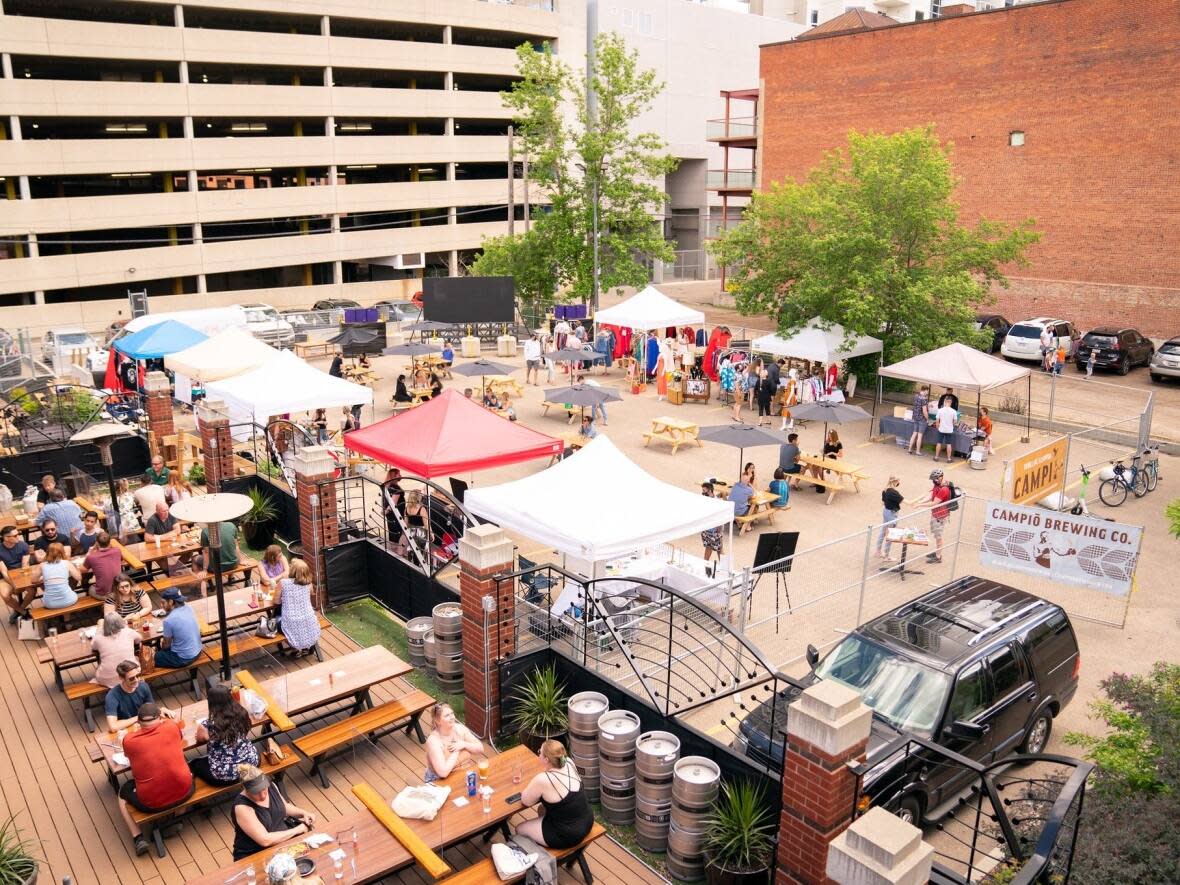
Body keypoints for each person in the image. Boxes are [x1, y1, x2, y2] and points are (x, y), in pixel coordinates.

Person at [118, 702, 194, 856]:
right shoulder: (172, 727)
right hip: (185, 792)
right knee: (187, 772)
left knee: (121, 795)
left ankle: (138, 838)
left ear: (139, 723)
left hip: (150, 802)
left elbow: (126, 754)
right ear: (160, 718)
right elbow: (178, 734)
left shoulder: (129, 740)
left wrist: (122, 738)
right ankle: (178, 818)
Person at [514, 739, 594, 849]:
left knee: (520, 829)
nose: (539, 756)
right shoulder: (569, 762)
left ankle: (540, 859)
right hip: (586, 820)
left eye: (540, 753)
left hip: (568, 834)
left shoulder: (543, 779)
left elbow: (526, 801)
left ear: (546, 759)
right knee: (542, 809)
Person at [231, 763, 317, 861]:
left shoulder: (271, 785)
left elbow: (284, 807)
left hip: (281, 842)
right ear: (245, 788)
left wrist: (304, 813)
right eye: (256, 792)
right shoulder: (242, 807)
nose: (263, 795)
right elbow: (265, 840)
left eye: (264, 789)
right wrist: (298, 829)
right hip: (256, 852)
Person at [189, 683, 260, 786]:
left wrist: (207, 737)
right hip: (251, 763)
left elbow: (200, 739)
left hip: (226, 775)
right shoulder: (242, 713)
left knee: (194, 764)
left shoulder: (207, 725)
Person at [424, 703, 484, 782]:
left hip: (464, 773)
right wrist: (456, 750)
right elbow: (443, 773)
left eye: (452, 713)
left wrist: (464, 744)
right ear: (437, 720)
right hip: (439, 781)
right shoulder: (434, 741)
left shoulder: (459, 728)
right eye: (447, 715)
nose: (452, 717)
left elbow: (480, 749)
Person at [105, 660, 167, 731]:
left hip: (143, 725)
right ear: (121, 678)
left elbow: (151, 709)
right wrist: (138, 718)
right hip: (125, 730)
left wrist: (162, 710)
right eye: (132, 678)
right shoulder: (112, 696)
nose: (136, 680)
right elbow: (113, 727)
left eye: (138, 676)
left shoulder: (143, 686)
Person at [277, 558, 321, 655]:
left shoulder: (283, 583)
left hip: (291, 621)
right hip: (309, 620)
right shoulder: (309, 584)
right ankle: (305, 646)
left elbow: (276, 602)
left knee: (276, 620)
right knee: (301, 624)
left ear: (292, 570)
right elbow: (311, 594)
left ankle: (295, 648)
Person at [91, 612, 141, 688]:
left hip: (107, 678)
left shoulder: (98, 637)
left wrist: (99, 630)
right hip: (131, 675)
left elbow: (93, 647)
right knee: (136, 658)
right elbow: (139, 639)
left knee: (101, 664)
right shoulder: (128, 632)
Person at [155, 587, 203, 668]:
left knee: (155, 656)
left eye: (163, 603)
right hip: (198, 651)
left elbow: (166, 645)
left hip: (183, 658)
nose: (161, 605)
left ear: (171, 602)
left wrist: (160, 647)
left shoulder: (168, 620)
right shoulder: (189, 608)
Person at [918, 469, 952, 564]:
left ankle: (938, 557)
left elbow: (934, 503)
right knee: (936, 534)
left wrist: (919, 505)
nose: (934, 481)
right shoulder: (937, 485)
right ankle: (937, 552)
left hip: (940, 516)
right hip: (935, 514)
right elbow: (931, 496)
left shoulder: (944, 489)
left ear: (940, 478)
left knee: (938, 536)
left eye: (935, 479)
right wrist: (920, 502)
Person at [0, 525, 33, 623]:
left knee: (32, 591)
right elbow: (4, 571)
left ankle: (19, 611)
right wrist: (14, 584)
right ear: (6, 538)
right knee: (5, 595)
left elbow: (25, 565)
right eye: (14, 536)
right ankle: (23, 612)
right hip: (7, 577)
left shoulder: (23, 545)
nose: (18, 537)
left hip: (22, 575)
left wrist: (21, 582)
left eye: (18, 534)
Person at [82, 531, 126, 600]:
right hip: (119, 590)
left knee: (90, 588)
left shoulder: (91, 557)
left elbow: (82, 570)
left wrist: (89, 552)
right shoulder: (117, 550)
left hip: (104, 594)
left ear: (96, 542)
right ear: (110, 541)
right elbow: (121, 560)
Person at [38, 542, 79, 609]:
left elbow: (33, 580)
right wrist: (77, 568)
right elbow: (78, 578)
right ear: (62, 552)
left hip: (50, 604)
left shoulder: (42, 565)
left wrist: (45, 579)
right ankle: (66, 619)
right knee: (69, 589)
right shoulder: (66, 563)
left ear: (47, 552)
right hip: (69, 601)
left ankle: (65, 617)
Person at [876, 477, 904, 561]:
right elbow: (907, 502)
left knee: (883, 531)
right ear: (896, 482)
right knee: (890, 534)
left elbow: (883, 502)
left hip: (886, 511)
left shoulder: (885, 490)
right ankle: (886, 555)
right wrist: (919, 499)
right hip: (892, 514)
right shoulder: (894, 492)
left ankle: (878, 551)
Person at [699, 483, 724, 564]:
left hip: (715, 531)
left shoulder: (718, 502)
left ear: (710, 490)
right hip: (706, 530)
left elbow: (721, 517)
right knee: (708, 547)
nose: (702, 492)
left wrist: (719, 531)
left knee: (719, 550)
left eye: (704, 490)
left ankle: (725, 568)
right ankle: (704, 564)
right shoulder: (704, 500)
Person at [907, 386, 930, 456]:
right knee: (920, 436)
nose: (927, 393)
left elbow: (918, 405)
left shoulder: (916, 396)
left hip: (915, 417)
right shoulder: (924, 399)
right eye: (927, 391)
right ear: (925, 390)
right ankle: (917, 451)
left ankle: (909, 450)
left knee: (914, 434)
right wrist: (928, 419)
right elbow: (924, 411)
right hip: (922, 419)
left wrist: (928, 405)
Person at [934, 398, 958, 464]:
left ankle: (936, 457)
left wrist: (937, 427)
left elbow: (937, 420)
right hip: (949, 430)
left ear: (945, 402)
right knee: (949, 444)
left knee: (939, 443)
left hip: (941, 429)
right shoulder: (954, 411)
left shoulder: (940, 410)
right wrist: (952, 425)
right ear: (950, 403)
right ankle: (949, 458)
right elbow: (955, 422)